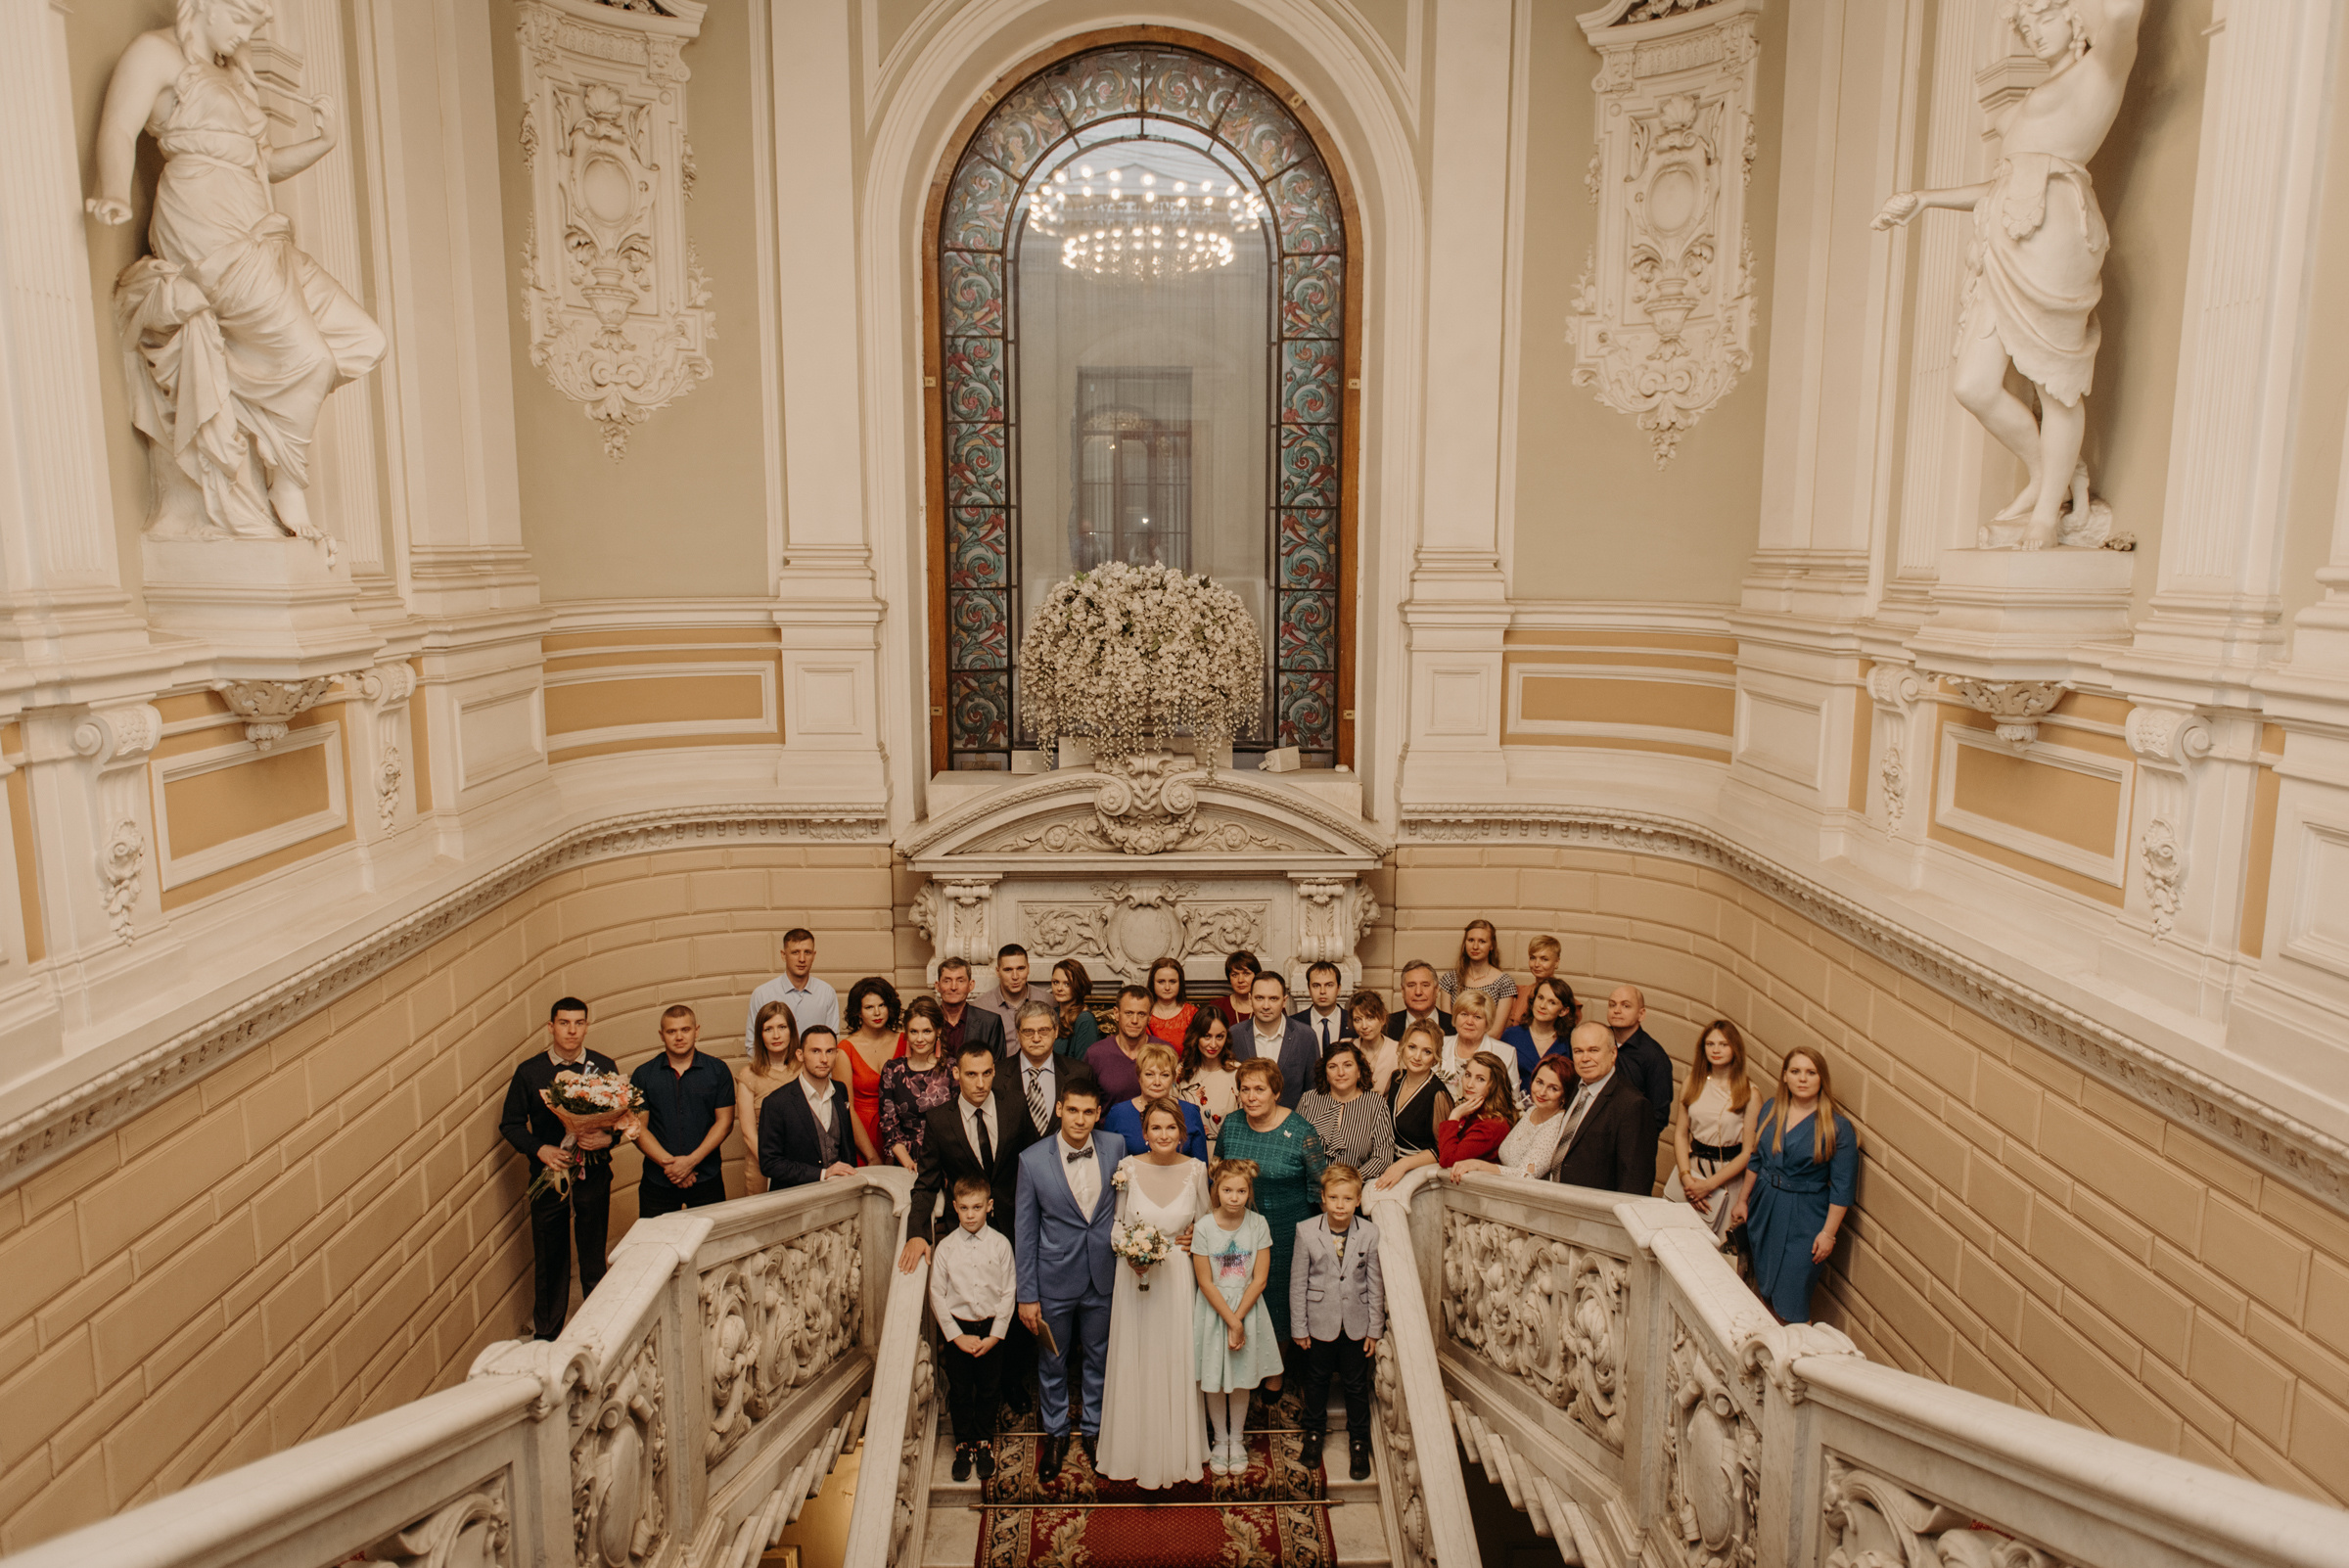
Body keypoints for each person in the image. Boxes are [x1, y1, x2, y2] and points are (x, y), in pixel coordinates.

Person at [86, 0, 386, 546]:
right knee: (310, 356)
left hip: (259, 229)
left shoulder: (234, 76)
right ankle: (288, 480)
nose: (247, 34)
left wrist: (325, 142)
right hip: (205, 228)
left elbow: (262, 162)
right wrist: (111, 190)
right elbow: (118, 128)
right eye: (244, 20)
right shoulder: (155, 55)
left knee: (364, 340)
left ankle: (246, 400)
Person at [1014, 1081, 1128, 1481]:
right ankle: (1057, 1434)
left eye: (1088, 1112)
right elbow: (1025, 1231)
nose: (1080, 1119)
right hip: (1053, 1279)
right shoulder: (1031, 1160)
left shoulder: (1115, 1147)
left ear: (1098, 1114)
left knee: (1100, 1357)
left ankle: (1095, 1431)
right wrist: (1027, 1294)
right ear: (1059, 1109)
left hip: (1104, 1274)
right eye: (1073, 1110)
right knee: (1053, 1361)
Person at [1098, 1100, 1213, 1488]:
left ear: (1183, 1134)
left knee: (1174, 1355)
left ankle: (1177, 1448)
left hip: (1179, 1275)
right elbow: (1115, 1223)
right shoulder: (1127, 1168)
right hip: (1134, 1274)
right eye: (1156, 1128)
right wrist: (1129, 1252)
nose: (1164, 1135)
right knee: (1137, 1355)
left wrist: (1198, 1234)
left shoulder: (1197, 1171)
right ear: (1144, 1133)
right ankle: (1132, 1447)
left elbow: (1208, 1222)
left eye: (1171, 1128)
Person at [499, 997, 620, 1339]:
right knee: (551, 1255)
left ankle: (601, 1328)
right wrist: (541, 1150)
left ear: (586, 1025)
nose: (572, 1030)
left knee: (594, 1251)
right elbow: (510, 1125)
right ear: (550, 1027)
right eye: (564, 1023)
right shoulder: (530, 1072)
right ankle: (549, 1334)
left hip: (593, 1172)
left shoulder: (602, 1066)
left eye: (579, 1023)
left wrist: (607, 1139)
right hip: (549, 1176)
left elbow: (620, 1121)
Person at [1213, 1059, 1325, 1386]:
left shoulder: (1301, 1131)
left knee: (1279, 1303)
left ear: (1276, 1091)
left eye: (1259, 1089)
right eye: (1245, 1089)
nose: (1251, 1096)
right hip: (1236, 1233)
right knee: (1238, 1296)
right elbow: (1218, 1175)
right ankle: (1241, 1372)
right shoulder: (1232, 1125)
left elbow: (1320, 1188)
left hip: (1287, 1234)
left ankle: (1275, 1376)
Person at [1729, 1047, 1858, 1323]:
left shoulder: (1838, 1127)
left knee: (1792, 1297)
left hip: (1806, 1218)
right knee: (1762, 1288)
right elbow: (1756, 1160)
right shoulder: (1771, 1109)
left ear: (1821, 1079)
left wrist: (1829, 1234)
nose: (1803, 1079)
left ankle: (1792, 1357)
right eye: (1795, 1071)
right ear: (1784, 1076)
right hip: (1765, 1207)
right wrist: (1742, 1199)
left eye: (1811, 1073)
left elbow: (1842, 1188)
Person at [1191, 1159, 1286, 1476]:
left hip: (1247, 1307)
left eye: (1241, 1191)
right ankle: (1219, 1439)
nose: (1234, 1197)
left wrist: (1241, 1317)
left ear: (1249, 1191)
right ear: (1216, 1189)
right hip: (1215, 1310)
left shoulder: (1258, 1224)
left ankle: (1237, 1438)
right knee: (1214, 1378)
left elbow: (1259, 1279)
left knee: (1242, 1376)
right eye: (1227, 1190)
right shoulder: (1204, 1227)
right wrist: (1231, 1321)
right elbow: (1205, 1280)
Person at [1290, 1165, 1384, 1481]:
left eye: (1347, 1198)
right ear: (1323, 1198)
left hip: (1356, 1324)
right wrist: (1299, 1327)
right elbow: (1298, 1282)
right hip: (1319, 1322)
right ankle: (1314, 1433)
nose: (1340, 1205)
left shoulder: (1369, 1233)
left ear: (1358, 1200)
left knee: (1355, 1385)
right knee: (1315, 1380)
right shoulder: (1306, 1230)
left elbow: (1375, 1284)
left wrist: (1375, 1328)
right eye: (1334, 1197)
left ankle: (1358, 1440)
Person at [902, 1040, 1026, 1265]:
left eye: (987, 1073)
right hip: (963, 1231)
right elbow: (927, 1182)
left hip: (1015, 1227)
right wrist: (916, 1233)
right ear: (957, 1073)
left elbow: (1033, 1163)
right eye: (971, 1074)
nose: (981, 1083)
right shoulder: (940, 1120)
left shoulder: (1015, 1105)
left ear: (994, 1071)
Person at [932, 1176, 1016, 1483]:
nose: (970, 1214)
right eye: (964, 1208)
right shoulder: (945, 1248)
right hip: (959, 1331)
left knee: (990, 1389)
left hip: (992, 1329)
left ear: (989, 1207)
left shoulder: (1001, 1244)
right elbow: (936, 1295)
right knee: (962, 1390)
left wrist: (996, 1335)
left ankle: (983, 1443)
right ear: (954, 1207)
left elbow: (1009, 1291)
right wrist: (956, 1336)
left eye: (977, 1207)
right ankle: (962, 1445)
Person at [627, 1005, 735, 1216]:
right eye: (671, 1031)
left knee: (711, 1245)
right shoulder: (643, 1075)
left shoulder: (718, 1070)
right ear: (661, 1035)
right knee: (656, 1244)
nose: (679, 1037)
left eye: (685, 1030)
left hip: (707, 1177)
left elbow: (725, 1123)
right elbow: (637, 1128)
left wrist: (690, 1162)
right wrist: (672, 1166)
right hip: (658, 1180)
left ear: (697, 1030)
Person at [1665, 1020, 1760, 1252]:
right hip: (1693, 1172)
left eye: (1723, 1044)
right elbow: (1680, 1134)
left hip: (1728, 1178)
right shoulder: (1691, 1083)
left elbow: (1749, 1152)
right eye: (1710, 1044)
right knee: (1681, 1246)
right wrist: (1687, 1179)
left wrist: (1709, 1185)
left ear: (1735, 1048)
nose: (1716, 1050)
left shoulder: (1750, 1093)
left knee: (1719, 1251)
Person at [759, 1027, 879, 1187]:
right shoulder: (776, 1103)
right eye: (815, 1051)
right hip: (796, 1199)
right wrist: (822, 1174)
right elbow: (769, 1163)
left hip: (839, 1194)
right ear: (800, 1055)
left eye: (829, 1051)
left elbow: (846, 1147)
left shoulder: (840, 1091)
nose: (824, 1059)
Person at [1544, 1023, 1654, 1195]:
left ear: (1613, 1053)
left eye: (1593, 1050)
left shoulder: (1632, 1105)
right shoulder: (1575, 1087)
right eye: (1578, 1051)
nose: (1585, 1058)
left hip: (1594, 1214)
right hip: (1556, 1200)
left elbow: (1635, 1182)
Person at [1451, 1056, 1573, 1182]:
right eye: (1540, 1082)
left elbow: (1526, 1175)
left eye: (1553, 1088)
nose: (1542, 1092)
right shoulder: (1532, 1111)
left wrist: (1478, 1165)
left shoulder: (1556, 1125)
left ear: (1564, 1096)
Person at [1297, 1041, 1394, 1182]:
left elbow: (1383, 1157)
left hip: (1354, 1190)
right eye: (1332, 1067)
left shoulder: (1376, 1104)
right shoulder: (1308, 1100)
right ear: (1325, 1072)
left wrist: (1348, 1181)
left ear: (1359, 1070)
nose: (1340, 1073)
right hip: (1310, 1187)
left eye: (1348, 1065)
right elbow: (1293, 1147)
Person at [1373, 1021, 1452, 1190]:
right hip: (1390, 1162)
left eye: (1427, 1052)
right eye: (1412, 1047)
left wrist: (1404, 1165)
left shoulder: (1437, 1094)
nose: (1417, 1057)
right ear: (1402, 1047)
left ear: (1435, 1058)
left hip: (1421, 1171)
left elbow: (1444, 1149)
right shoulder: (1396, 1078)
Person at [880, 996, 955, 1173]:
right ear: (906, 1033)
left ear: (937, 1031)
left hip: (948, 1158)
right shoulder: (892, 1070)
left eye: (926, 1031)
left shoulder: (952, 1069)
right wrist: (909, 1164)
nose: (920, 1039)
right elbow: (889, 1126)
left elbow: (961, 1121)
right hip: (906, 1162)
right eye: (914, 1032)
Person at [735, 1001, 802, 1196]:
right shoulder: (749, 1075)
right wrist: (775, 1166)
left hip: (803, 1165)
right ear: (760, 1035)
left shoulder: (805, 1069)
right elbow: (748, 1133)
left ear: (792, 1030)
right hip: (762, 1167)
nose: (776, 1035)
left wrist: (797, 1169)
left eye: (782, 1027)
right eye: (768, 1029)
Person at [1101, 1042, 1210, 1162]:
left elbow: (1201, 1167)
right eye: (1149, 1074)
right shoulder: (1119, 1113)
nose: (1157, 1082)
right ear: (1139, 1076)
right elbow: (1109, 1165)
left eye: (1164, 1075)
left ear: (1173, 1078)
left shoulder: (1190, 1112)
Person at [1008, 1000, 1094, 1147]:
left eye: (1043, 1031)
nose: (1036, 1038)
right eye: (1028, 1032)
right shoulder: (997, 1075)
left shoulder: (1080, 1072)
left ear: (1055, 1032)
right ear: (1018, 1034)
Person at [1604, 985, 1677, 1154]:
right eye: (1612, 1004)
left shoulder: (1654, 1056)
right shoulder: (1598, 1041)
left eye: (1626, 1005)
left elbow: (1658, 1115)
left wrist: (1633, 1145)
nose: (1617, 1010)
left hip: (1631, 1147)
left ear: (1641, 1014)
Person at [744, 929, 840, 1048]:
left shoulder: (826, 992)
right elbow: (753, 1044)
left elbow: (832, 1041)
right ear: (783, 955)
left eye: (807, 952)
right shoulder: (762, 994)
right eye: (795, 952)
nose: (802, 959)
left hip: (814, 1066)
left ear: (814, 956)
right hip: (774, 1066)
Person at [838, 976, 902, 1151]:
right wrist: (870, 1155)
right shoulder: (845, 1049)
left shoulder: (906, 1042)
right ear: (858, 1012)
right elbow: (846, 1108)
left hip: (901, 1132)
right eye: (869, 1007)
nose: (877, 1012)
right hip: (861, 1136)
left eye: (882, 1005)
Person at [1238, 972, 1318, 1111]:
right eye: (1259, 998)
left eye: (1273, 999)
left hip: (1293, 1126)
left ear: (1284, 1001)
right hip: (1246, 1125)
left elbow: (1314, 1090)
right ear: (1250, 999)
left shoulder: (1306, 1036)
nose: (1266, 1005)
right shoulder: (1235, 1035)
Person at [1435, 1052, 1515, 1170]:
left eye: (1480, 1079)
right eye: (1467, 1075)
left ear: (1494, 1086)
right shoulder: (1472, 1112)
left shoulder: (1492, 1125)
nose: (1470, 1084)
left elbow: (1448, 1161)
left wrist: (1454, 1116)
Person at [1442, 991, 1522, 1108]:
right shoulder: (1439, 1045)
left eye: (1477, 1017)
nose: (1469, 1022)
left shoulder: (1505, 1053)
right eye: (1464, 1014)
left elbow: (1511, 1101)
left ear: (1487, 1022)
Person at [1440, 919, 1521, 1030]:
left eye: (1482, 941)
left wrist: (1476, 1046)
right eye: (1471, 940)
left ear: (1491, 946)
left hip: (1489, 1045)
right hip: (1455, 1043)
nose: (1475, 946)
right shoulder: (1450, 979)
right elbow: (1447, 1026)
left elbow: (1496, 1031)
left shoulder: (1505, 983)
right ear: (1464, 943)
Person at [1499, 977, 1575, 1092]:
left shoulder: (1569, 1042)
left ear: (1563, 1011)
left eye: (1552, 1002)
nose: (1543, 1006)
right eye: (1540, 998)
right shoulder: (1510, 1036)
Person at [1176, 1009, 1241, 1142]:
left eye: (1219, 1037)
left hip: (1225, 1155)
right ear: (1195, 1036)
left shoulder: (1238, 1072)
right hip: (1186, 1154)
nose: (1213, 1044)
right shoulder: (1180, 1072)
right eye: (1207, 1036)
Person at [1085, 985, 1152, 1102]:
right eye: (1129, 1013)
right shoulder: (1096, 1054)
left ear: (1150, 1017)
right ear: (1116, 1013)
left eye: (1141, 1014)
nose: (1134, 1021)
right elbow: (1084, 1103)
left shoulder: (1163, 1051)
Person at [936, 957, 1005, 1058]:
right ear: (937, 986)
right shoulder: (927, 1021)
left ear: (971, 985)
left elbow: (998, 1067)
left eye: (960, 981)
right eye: (947, 981)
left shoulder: (990, 1023)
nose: (953, 987)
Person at [978, 944, 1038, 1042]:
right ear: (998, 971)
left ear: (1028, 968)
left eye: (1020, 968)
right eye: (1008, 970)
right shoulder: (981, 1006)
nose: (1015, 976)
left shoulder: (1048, 1001)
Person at [1383, 960, 1453, 1042]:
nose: (1418, 992)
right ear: (1402, 991)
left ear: (1436, 989)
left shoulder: (1455, 1026)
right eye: (1411, 985)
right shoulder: (1385, 1025)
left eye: (1425, 985)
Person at [1295, 961, 1353, 1052]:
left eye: (1329, 985)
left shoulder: (1354, 1022)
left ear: (1339, 988)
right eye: (1316, 986)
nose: (1322, 991)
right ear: (1309, 989)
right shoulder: (1294, 1024)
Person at [1144, 955, 1197, 1050]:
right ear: (1153, 983)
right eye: (1161, 982)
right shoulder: (1142, 1013)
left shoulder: (1193, 1014)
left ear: (1180, 983)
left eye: (1172, 982)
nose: (1167, 987)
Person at [1051, 959, 1101, 1059]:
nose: (1059, 988)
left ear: (1078, 985)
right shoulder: (1052, 1013)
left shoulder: (1085, 1019)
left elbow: (1083, 1066)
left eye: (1067, 984)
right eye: (1056, 982)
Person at [1349, 990, 1396, 1092]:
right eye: (1357, 1020)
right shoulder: (1346, 1047)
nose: (1364, 1026)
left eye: (1370, 1018)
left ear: (1382, 1019)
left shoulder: (1397, 1051)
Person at [1201, 950, 1261, 1029]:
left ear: (1256, 975)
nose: (1240, 980)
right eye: (1234, 975)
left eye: (1246, 973)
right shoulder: (1217, 1007)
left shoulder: (1265, 1006)